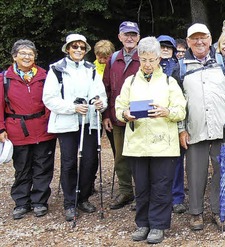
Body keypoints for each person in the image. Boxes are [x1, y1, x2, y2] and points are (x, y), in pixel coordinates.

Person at [172, 23, 225, 231]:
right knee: (195, 174)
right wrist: (180, 129)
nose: (199, 42)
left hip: (223, 130)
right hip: (195, 130)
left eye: (203, 37)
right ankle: (196, 213)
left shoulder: (222, 62)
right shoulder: (180, 67)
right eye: (194, 38)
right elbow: (176, 102)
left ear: (210, 38)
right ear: (188, 42)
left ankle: (219, 212)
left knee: (222, 172)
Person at [116, 36, 186, 244]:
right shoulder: (129, 82)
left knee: (161, 186)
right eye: (144, 59)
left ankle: (158, 225)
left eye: (152, 59)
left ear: (158, 59)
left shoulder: (169, 82)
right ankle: (143, 223)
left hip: (163, 145)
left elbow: (181, 110)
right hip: (137, 145)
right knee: (143, 186)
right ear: (139, 58)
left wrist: (166, 111)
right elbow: (119, 108)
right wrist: (125, 114)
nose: (148, 64)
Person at [43, 34, 107, 221]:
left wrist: (99, 103)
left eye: (81, 47)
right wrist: (72, 108)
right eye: (74, 47)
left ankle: (83, 197)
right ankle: (70, 202)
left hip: (89, 123)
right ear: (68, 49)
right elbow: (49, 98)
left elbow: (100, 94)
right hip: (67, 123)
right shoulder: (56, 69)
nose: (78, 50)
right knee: (69, 162)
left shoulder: (91, 69)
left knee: (90, 161)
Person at [2, 40, 57, 220]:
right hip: (18, 130)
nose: (27, 57)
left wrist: (52, 123)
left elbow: (51, 100)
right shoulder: (4, 79)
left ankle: (40, 201)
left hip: (43, 128)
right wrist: (1, 128)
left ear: (35, 56)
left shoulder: (44, 76)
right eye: (23, 53)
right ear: (14, 56)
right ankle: (21, 202)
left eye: (30, 54)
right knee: (22, 168)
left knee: (43, 166)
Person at [103, 21, 141, 210]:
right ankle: (126, 190)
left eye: (133, 34)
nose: (130, 38)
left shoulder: (145, 58)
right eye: (126, 34)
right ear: (119, 37)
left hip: (141, 118)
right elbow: (107, 89)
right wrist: (106, 115)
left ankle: (142, 193)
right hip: (117, 117)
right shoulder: (112, 59)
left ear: (139, 37)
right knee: (120, 156)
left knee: (141, 156)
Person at [156, 34, 187, 214]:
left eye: (169, 47)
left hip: (175, 119)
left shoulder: (180, 68)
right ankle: (158, 196)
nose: (165, 49)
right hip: (156, 121)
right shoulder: (149, 68)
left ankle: (176, 197)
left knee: (176, 161)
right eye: (162, 46)